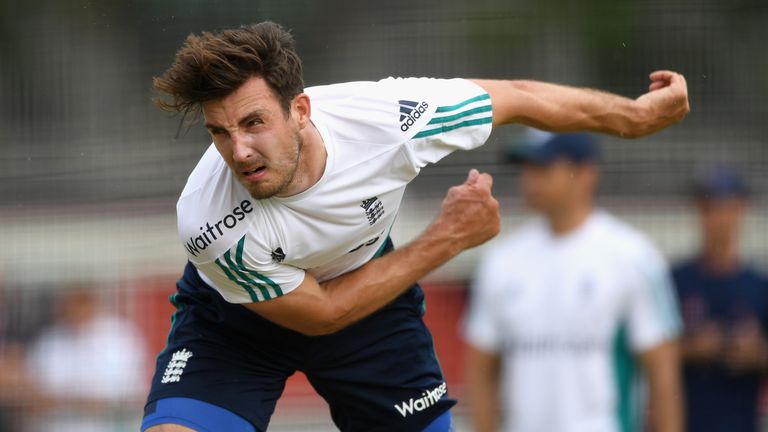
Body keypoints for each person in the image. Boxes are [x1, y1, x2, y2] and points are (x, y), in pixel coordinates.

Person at [142, 22, 689, 432]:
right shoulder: (209, 221)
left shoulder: (390, 120)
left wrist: (635, 118)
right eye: (220, 132)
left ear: (300, 110)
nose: (239, 150)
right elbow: (324, 313)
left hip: (371, 304)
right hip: (237, 326)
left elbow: (518, 96)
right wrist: (449, 236)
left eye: (254, 122)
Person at [463, 132, 684, 432]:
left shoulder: (633, 256)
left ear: (585, 173)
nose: (530, 180)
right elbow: (480, 372)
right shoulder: (501, 260)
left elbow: (663, 375)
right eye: (526, 169)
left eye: (543, 168)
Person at [673, 167, 768, 432]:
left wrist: (756, 353)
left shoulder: (759, 286)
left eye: (727, 207)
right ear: (700, 212)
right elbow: (650, 351)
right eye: (710, 208)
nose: (719, 218)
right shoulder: (675, 281)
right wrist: (693, 348)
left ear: (741, 210)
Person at [25, 286, 148, 432]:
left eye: (81, 302)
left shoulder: (120, 336)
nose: (75, 310)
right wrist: (77, 402)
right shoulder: (48, 340)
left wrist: (68, 401)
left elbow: (132, 394)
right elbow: (31, 396)